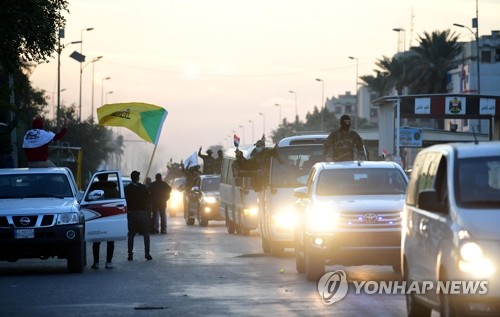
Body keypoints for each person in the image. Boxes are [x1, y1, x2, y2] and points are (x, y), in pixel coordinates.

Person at [88, 173, 119, 269]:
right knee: (110, 240)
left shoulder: (93, 188)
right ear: (107, 177)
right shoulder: (113, 188)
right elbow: (118, 201)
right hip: (110, 215)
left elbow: (88, 200)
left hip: (96, 215)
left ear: (98, 178)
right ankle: (108, 262)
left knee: (96, 240)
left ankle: (96, 263)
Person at [125, 170, 152, 261]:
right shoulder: (143, 188)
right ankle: (147, 253)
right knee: (146, 233)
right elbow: (148, 199)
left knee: (131, 234)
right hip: (142, 213)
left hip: (131, 213)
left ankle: (130, 254)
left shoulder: (127, 188)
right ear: (138, 178)